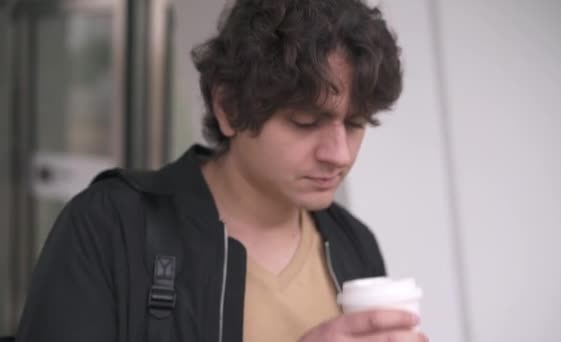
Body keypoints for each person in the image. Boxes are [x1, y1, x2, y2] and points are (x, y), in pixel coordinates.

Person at [17, 0, 428, 341]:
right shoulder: (108, 226)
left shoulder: (354, 244)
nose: (339, 154)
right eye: (305, 122)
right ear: (229, 107)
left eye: (355, 124)